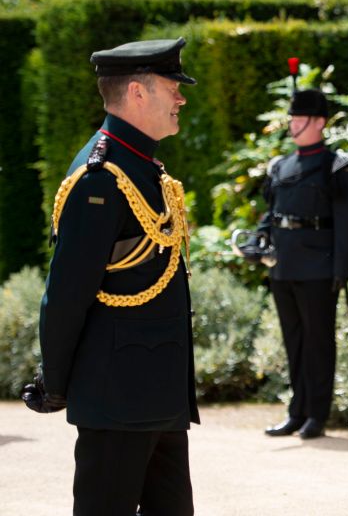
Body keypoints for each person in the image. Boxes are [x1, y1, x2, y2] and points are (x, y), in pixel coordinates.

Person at [22, 37, 199, 515]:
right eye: (171, 87)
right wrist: (56, 382)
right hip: (117, 396)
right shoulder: (100, 177)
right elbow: (65, 295)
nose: (181, 98)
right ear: (138, 94)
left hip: (157, 394)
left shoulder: (143, 167)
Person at [256, 87, 348, 440]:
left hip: (318, 267)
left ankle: (317, 414)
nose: (293, 124)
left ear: (319, 122)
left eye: (299, 118)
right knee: (294, 341)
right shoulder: (280, 165)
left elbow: (346, 222)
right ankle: (296, 412)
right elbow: (271, 213)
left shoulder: (335, 166)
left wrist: (342, 269)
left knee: (318, 342)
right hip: (283, 264)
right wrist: (258, 240)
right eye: (292, 118)